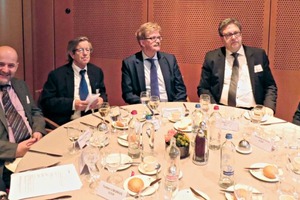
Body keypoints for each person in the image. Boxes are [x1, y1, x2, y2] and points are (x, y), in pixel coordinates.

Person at [197, 18, 277, 112]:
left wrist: (269, 107)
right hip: (221, 110)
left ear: (241, 34)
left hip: (253, 111)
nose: (233, 37)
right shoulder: (212, 57)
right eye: (228, 35)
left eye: (236, 33)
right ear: (222, 38)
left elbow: (270, 86)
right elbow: (203, 88)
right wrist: (215, 109)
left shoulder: (258, 55)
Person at [0, 46, 46, 194]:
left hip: (35, 147)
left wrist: (38, 131)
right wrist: (16, 150)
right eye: (1, 64)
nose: (6, 70)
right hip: (7, 160)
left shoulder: (20, 85)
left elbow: (35, 112)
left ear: (17, 66)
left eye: (11, 65)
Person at [40, 36, 108, 125]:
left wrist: (101, 99)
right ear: (72, 54)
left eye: (88, 50)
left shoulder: (96, 71)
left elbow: (103, 92)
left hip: (93, 120)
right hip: (69, 122)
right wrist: (72, 104)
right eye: (81, 50)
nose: (85, 53)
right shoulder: (57, 75)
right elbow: (47, 102)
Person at [121, 22, 187, 104]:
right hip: (144, 108)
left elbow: (181, 90)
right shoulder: (129, 63)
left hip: (169, 107)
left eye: (159, 37)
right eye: (153, 38)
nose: (158, 41)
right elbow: (128, 94)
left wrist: (172, 107)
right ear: (142, 42)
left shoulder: (170, 59)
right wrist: (148, 104)